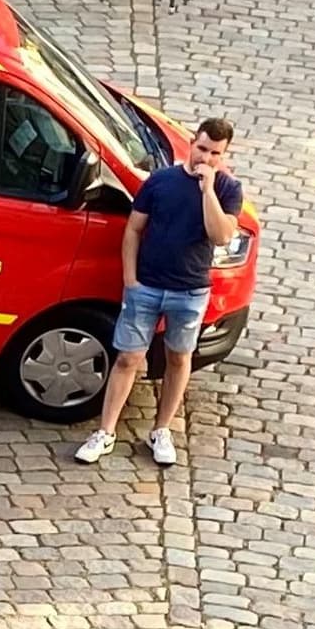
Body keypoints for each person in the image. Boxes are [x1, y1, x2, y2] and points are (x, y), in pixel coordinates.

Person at [78, 117, 242, 470]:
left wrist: (208, 191)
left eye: (215, 153)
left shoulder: (228, 189)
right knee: (127, 357)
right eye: (201, 148)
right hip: (147, 286)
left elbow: (221, 236)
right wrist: (131, 279)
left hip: (190, 289)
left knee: (179, 358)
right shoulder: (161, 182)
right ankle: (106, 432)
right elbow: (134, 229)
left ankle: (161, 430)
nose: (206, 158)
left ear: (224, 155)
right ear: (191, 144)